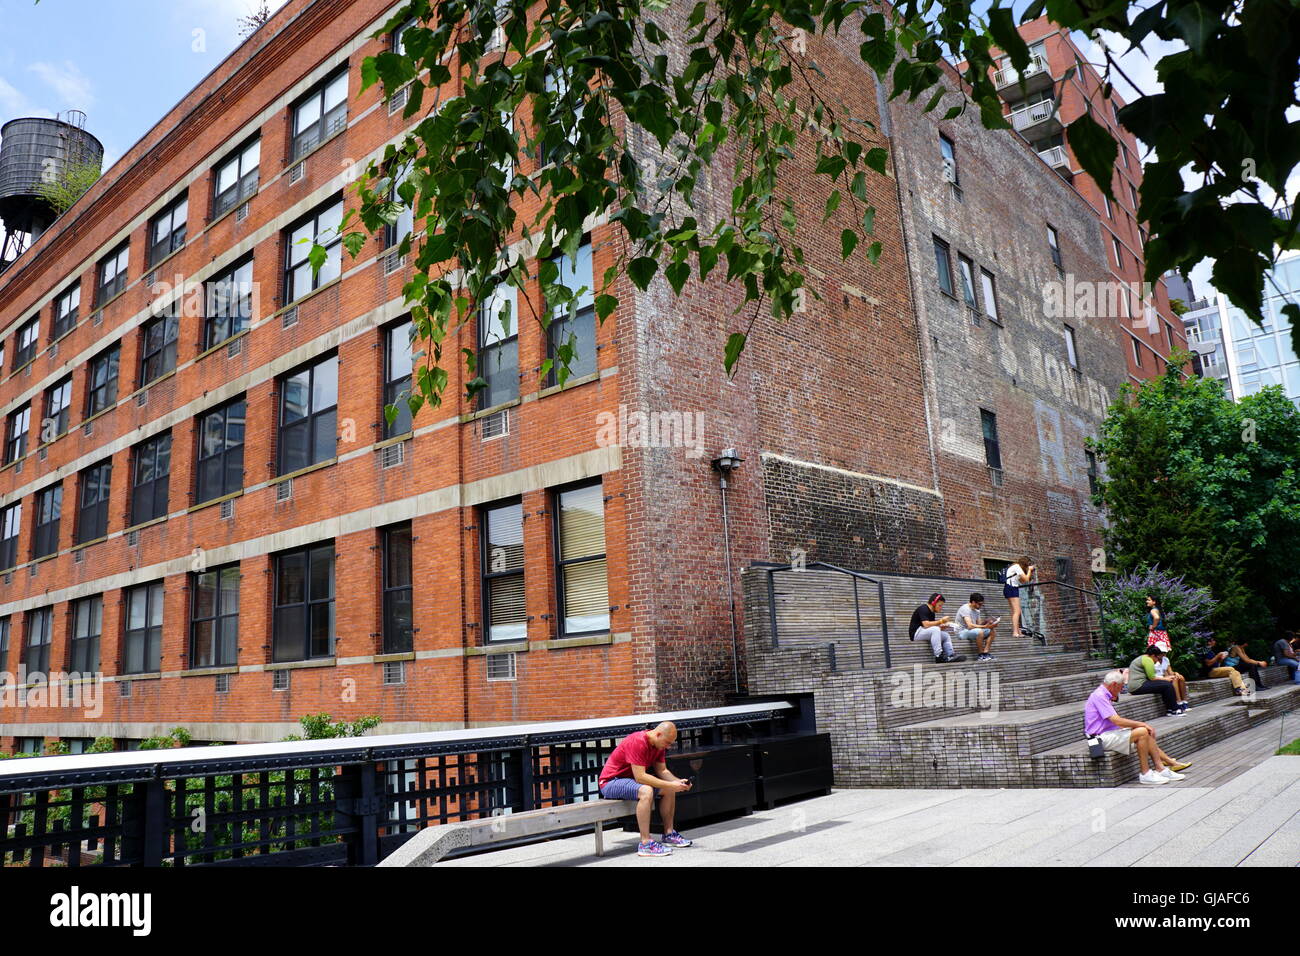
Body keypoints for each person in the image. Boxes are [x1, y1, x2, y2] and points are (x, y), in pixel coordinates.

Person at [597, 721, 693, 857]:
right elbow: (640, 777)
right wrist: (671, 784)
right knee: (646, 791)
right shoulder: (638, 741)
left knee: (669, 789)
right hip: (610, 782)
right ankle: (645, 843)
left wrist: (678, 783)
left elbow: (662, 771)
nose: (668, 746)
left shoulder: (659, 745)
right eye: (667, 743)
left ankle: (669, 834)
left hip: (630, 782)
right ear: (658, 734)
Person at [1084, 670, 1190, 785]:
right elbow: (1117, 720)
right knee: (1142, 731)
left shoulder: (1103, 694)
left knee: (1145, 732)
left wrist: (1139, 726)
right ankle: (1145, 773)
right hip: (1099, 739)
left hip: (1108, 734)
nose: (1121, 690)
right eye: (1121, 687)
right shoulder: (1099, 695)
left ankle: (1161, 768)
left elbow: (1116, 722)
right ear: (1114, 684)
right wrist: (1142, 724)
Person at [908, 592, 966, 664]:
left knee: (945, 635)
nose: (941, 608)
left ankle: (950, 655)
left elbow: (931, 627)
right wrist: (941, 621)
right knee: (935, 629)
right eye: (940, 605)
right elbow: (926, 624)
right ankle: (939, 656)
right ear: (933, 603)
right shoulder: (923, 608)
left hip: (923, 631)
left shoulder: (932, 612)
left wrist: (942, 627)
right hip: (916, 633)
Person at [1127, 645, 1183, 716]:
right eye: (1157, 658)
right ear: (1153, 655)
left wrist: (1165, 679)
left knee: (1164, 685)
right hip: (1138, 686)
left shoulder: (1143, 658)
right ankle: (1175, 709)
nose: (1157, 661)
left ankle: (1170, 709)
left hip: (1137, 685)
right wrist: (1166, 679)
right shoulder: (1148, 660)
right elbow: (1152, 678)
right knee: (1167, 685)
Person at [955, 592, 1000, 662]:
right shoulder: (965, 609)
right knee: (980, 632)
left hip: (972, 630)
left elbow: (979, 624)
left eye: (982, 604)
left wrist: (987, 622)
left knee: (992, 631)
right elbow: (970, 625)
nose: (980, 606)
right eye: (979, 604)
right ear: (973, 602)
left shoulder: (977, 610)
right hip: (962, 632)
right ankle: (980, 655)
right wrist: (985, 626)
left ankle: (985, 653)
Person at [1149, 641, 1189, 711]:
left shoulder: (1166, 659)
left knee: (1180, 677)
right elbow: (1152, 675)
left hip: (1165, 677)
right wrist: (1167, 677)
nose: (1163, 654)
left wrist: (1176, 673)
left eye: (1164, 652)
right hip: (1158, 679)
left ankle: (1184, 701)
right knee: (1174, 680)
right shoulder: (1152, 660)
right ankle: (1178, 702)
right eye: (1161, 652)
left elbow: (1170, 671)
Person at [1003, 556, 1035, 637]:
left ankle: (1018, 631)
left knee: (1015, 611)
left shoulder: (1016, 567)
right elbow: (1026, 579)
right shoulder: (1017, 566)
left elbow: (1023, 581)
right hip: (1011, 588)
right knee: (1017, 611)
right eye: (1028, 565)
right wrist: (1029, 570)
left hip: (1011, 588)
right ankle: (1015, 632)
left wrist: (1028, 572)